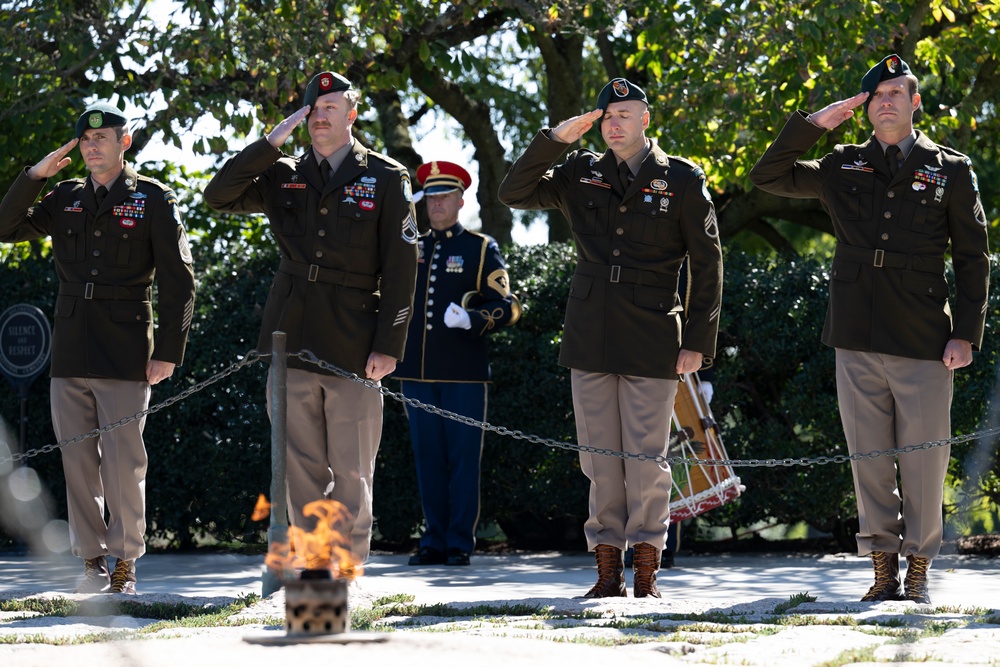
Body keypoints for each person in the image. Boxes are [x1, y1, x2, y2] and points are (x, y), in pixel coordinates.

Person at [749, 54, 989, 604]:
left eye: (896, 93)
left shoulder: (950, 170)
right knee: (870, 461)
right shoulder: (842, 164)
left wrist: (966, 334)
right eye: (876, 95)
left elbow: (974, 259)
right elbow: (767, 177)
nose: (886, 101)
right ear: (864, 107)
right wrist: (814, 125)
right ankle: (882, 570)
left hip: (927, 337)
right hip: (856, 333)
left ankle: (920, 570)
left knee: (925, 460)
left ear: (914, 101)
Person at [498, 78, 724, 598]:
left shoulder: (683, 179)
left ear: (647, 118)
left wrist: (697, 341)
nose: (614, 123)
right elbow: (513, 193)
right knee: (599, 457)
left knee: (646, 458)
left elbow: (708, 267)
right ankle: (606, 572)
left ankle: (645, 570)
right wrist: (555, 139)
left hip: (652, 333)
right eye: (606, 116)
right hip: (591, 329)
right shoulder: (580, 172)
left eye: (625, 113)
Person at [204, 71, 418, 569]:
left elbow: (403, 268)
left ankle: (346, 568)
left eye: (330, 107)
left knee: (350, 468)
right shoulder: (282, 171)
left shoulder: (386, 177)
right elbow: (218, 196)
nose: (319, 117)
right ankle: (314, 562)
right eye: (312, 109)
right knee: (298, 466)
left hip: (355, 338)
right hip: (291, 333)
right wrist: (267, 145)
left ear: (352, 112)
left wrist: (389, 344)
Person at [0, 102, 196, 594]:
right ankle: (92, 563)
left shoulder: (152, 199)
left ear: (123, 142)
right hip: (70, 348)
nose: (91, 147)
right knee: (78, 462)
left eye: (102, 138)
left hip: (127, 349)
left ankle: (125, 563)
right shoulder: (64, 197)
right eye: (86, 140)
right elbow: (5, 227)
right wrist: (35, 175)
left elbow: (180, 280)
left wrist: (169, 349)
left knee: (125, 462)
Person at [395, 160, 520, 567]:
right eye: (431, 196)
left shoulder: (479, 248)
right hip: (415, 372)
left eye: (445, 196)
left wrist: (474, 319)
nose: (437, 203)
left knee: (463, 460)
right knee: (426, 456)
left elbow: (509, 306)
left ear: (461, 200)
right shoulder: (410, 248)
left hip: (464, 375)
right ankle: (432, 538)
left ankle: (459, 542)